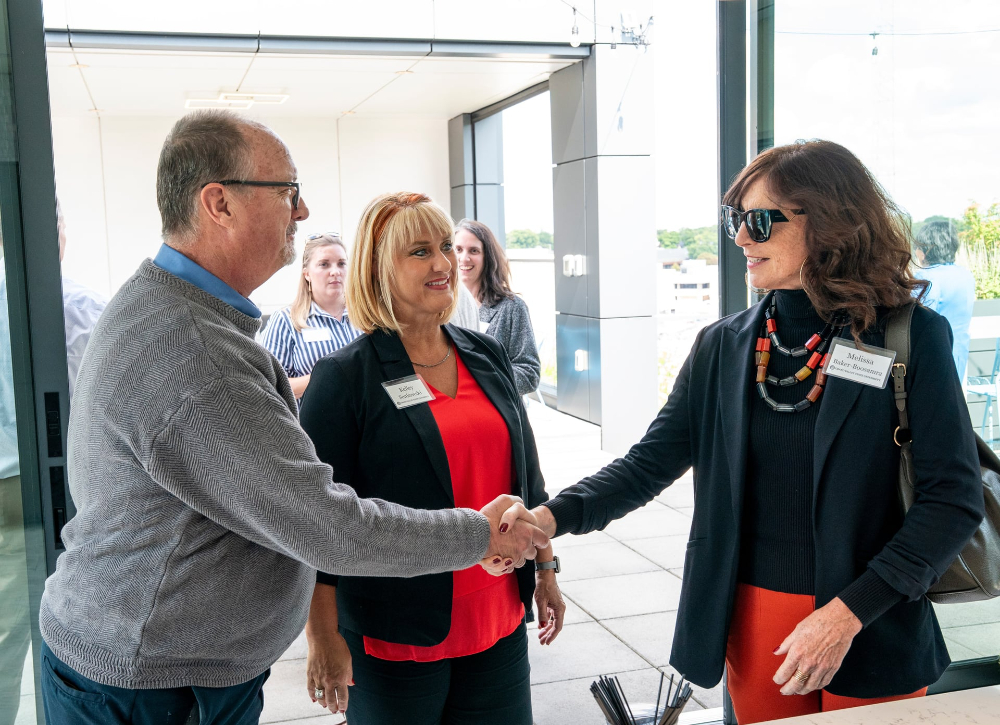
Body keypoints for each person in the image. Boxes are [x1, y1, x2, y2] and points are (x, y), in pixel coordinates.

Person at [37, 111, 548, 725]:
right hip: (154, 683)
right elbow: (325, 525)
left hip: (171, 666)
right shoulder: (195, 350)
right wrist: (479, 536)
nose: (301, 213)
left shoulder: (178, 313)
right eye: (287, 193)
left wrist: (540, 561)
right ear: (218, 203)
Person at [528, 140, 985, 724]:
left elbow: (953, 499)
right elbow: (649, 463)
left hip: (874, 618)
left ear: (829, 223)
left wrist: (847, 614)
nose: (741, 238)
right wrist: (551, 518)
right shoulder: (723, 346)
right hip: (753, 621)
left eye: (759, 221)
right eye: (735, 221)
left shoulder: (909, 335)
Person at [298, 192, 565, 725]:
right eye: (420, 251)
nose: (444, 264)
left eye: (445, 246)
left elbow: (526, 474)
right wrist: (322, 635)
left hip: (497, 620)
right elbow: (317, 524)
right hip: (395, 636)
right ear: (379, 270)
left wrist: (545, 568)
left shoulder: (483, 353)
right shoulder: (346, 377)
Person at [0, 205, 105, 725]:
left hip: (29, 483)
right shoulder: (81, 308)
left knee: (7, 633)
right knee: (71, 623)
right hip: (57, 487)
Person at [257, 232, 362, 399]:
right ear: (307, 274)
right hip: (313, 423)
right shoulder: (286, 320)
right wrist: (330, 375)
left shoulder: (367, 317)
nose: (335, 271)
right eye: (324, 264)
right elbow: (270, 385)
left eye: (341, 263)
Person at [454, 219, 540, 395]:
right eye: (458, 250)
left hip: (496, 409)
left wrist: (483, 379)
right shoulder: (441, 307)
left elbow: (530, 373)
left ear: (488, 257)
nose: (464, 258)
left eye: (474, 251)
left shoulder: (511, 308)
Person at [912, 220, 975, 383]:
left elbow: (915, 320)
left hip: (933, 359)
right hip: (959, 354)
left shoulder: (926, 278)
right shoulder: (966, 275)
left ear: (924, 250)